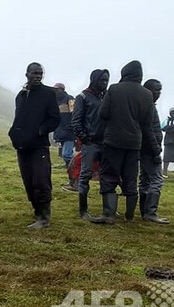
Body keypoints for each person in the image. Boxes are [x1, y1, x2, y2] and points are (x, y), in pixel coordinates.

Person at [88, 60, 157, 225]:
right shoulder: (147, 95)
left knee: (109, 176)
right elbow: (148, 125)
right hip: (134, 143)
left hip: (113, 141)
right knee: (130, 179)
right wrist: (155, 149)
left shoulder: (114, 89)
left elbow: (103, 113)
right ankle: (129, 217)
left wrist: (96, 137)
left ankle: (108, 215)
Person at [8, 62, 61, 229]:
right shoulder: (21, 96)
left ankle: (44, 217)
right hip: (22, 146)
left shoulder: (48, 94)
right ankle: (37, 211)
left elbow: (55, 118)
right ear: (27, 74)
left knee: (41, 179)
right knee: (28, 180)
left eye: (40, 74)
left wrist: (41, 130)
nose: (38, 76)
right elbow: (19, 118)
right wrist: (14, 133)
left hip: (39, 146)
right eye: (35, 73)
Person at [71, 69, 109, 219]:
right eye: (102, 80)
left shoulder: (107, 97)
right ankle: (83, 210)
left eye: (106, 80)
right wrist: (84, 138)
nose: (104, 83)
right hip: (90, 143)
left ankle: (108, 210)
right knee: (85, 175)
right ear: (94, 80)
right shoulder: (82, 97)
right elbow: (76, 120)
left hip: (106, 143)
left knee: (106, 176)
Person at [138, 79, 168, 224]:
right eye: (156, 90)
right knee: (156, 180)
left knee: (144, 180)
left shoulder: (145, 105)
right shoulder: (149, 107)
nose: (159, 93)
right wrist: (157, 151)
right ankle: (150, 212)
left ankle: (144, 212)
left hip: (144, 149)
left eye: (160, 90)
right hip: (150, 150)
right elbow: (149, 131)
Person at [52, 83, 77, 191]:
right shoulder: (55, 101)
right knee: (65, 156)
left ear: (62, 90)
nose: (55, 91)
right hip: (61, 132)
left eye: (57, 90)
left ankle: (76, 179)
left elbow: (76, 113)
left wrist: (72, 126)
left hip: (69, 132)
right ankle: (73, 180)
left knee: (67, 155)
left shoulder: (69, 99)